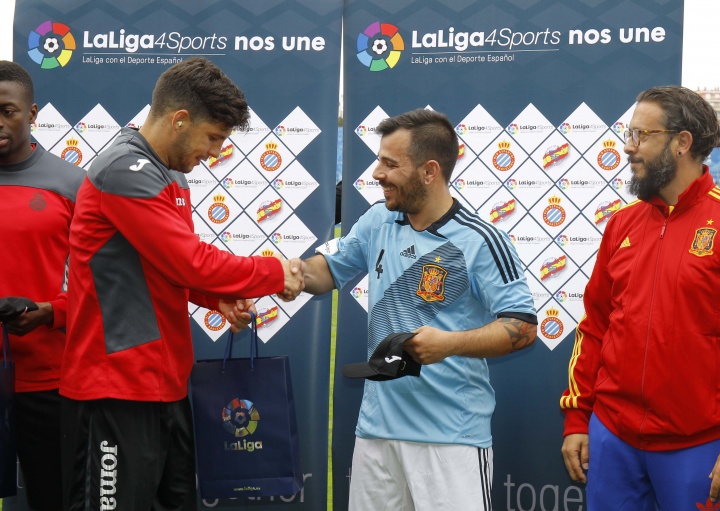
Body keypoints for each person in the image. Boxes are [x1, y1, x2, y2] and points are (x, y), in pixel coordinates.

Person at [59, 57, 305, 511]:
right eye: (213, 138)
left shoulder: (169, 171)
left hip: (165, 383)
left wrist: (216, 299)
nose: (214, 153)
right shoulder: (124, 169)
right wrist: (278, 272)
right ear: (179, 120)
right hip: (115, 388)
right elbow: (190, 262)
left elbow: (164, 266)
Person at [560, 85, 720, 510]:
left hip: (700, 445)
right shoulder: (621, 224)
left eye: (642, 135)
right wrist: (579, 416)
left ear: (682, 142)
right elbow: (595, 326)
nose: (628, 147)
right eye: (628, 134)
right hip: (613, 437)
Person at [295, 108, 538, 510]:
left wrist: (449, 344)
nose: (377, 173)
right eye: (379, 161)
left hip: (450, 439)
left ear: (429, 171)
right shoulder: (379, 220)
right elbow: (324, 272)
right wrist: (277, 276)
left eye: (390, 164)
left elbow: (523, 327)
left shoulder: (480, 239)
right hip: (376, 434)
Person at [0, 60, 85, 511]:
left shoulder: (72, 184)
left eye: (7, 111)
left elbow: (105, 280)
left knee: (54, 498)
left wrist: (53, 312)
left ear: (32, 113)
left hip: (47, 379)